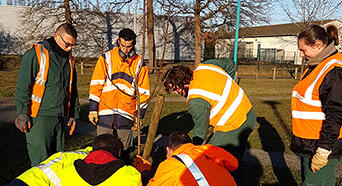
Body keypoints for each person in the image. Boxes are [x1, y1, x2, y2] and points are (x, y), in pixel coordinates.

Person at [162, 59, 255, 184]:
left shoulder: (195, 99)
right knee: (234, 158)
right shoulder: (205, 66)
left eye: (175, 90)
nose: (176, 93)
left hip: (233, 124)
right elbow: (231, 65)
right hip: (248, 111)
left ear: (181, 85)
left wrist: (193, 149)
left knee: (214, 160)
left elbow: (200, 130)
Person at [14, 23, 80, 167]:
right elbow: (23, 86)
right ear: (57, 36)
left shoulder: (70, 60)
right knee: (40, 165)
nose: (69, 49)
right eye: (67, 44)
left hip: (60, 118)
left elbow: (72, 89)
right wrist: (22, 113)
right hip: (39, 118)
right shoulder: (35, 54)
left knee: (56, 163)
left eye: (73, 46)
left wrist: (73, 114)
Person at [291, 24, 342, 185]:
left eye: (303, 50)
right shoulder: (316, 65)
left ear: (318, 45)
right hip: (310, 143)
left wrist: (323, 150)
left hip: (320, 145)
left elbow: (336, 113)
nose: (300, 55)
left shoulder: (333, 71)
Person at [88, 28, 150, 150]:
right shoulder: (106, 59)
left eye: (129, 47)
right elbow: (96, 84)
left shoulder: (140, 64)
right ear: (118, 42)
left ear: (133, 45)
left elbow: (144, 92)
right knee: (103, 148)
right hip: (106, 112)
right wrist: (93, 109)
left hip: (126, 114)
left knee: (124, 149)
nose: (125, 50)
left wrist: (139, 115)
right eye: (122, 46)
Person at [7, 134, 142, 186]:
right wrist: (145, 173)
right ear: (118, 152)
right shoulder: (132, 176)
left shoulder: (67, 170)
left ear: (92, 149)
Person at [133, 131, 238, 185]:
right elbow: (234, 164)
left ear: (168, 149)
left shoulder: (171, 165)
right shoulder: (209, 150)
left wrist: (144, 173)